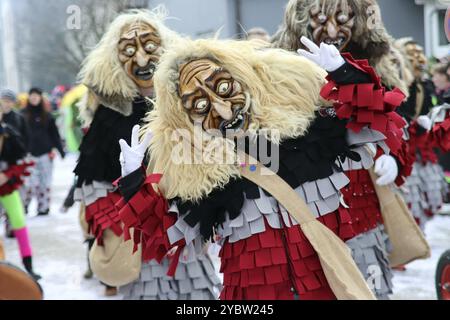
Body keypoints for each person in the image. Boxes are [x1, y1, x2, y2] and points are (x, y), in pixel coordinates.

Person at [106, 35, 415, 300]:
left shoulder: (309, 138)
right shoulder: (206, 177)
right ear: (187, 119)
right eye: (200, 106)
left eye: (224, 87)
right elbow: (169, 236)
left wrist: (343, 73)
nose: (224, 110)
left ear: (246, 80)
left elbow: (379, 123)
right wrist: (134, 181)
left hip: (326, 286)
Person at [272, 0, 416, 298]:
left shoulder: (378, 68)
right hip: (305, 208)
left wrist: (393, 158)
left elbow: (394, 128)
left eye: (343, 19)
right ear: (300, 21)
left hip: (361, 205)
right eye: (321, 19)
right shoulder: (279, 70)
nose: (333, 30)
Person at [74, 9, 221, 299]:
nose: (141, 59)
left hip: (186, 233)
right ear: (115, 61)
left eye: (150, 47)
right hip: (140, 245)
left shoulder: (187, 104)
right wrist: (122, 224)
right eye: (129, 50)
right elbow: (92, 184)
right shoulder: (108, 116)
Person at [0, 105, 40, 280]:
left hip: (7, 188)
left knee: (19, 222)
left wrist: (7, 175)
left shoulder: (10, 133)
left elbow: (25, 160)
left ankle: (29, 267)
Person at [21, 88, 65, 216]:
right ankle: (24, 205)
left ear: (40, 98)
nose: (34, 98)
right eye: (32, 96)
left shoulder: (47, 115)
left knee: (44, 183)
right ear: (28, 98)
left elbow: (54, 135)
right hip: (28, 154)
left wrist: (60, 150)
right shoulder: (22, 115)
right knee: (28, 183)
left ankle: (43, 207)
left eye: (36, 96)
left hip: (45, 154)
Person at [0, 89, 30, 237]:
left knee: (15, 195)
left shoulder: (18, 118)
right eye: (4, 100)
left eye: (9, 100)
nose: (6, 103)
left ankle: (11, 226)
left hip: (13, 162)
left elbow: (24, 139)